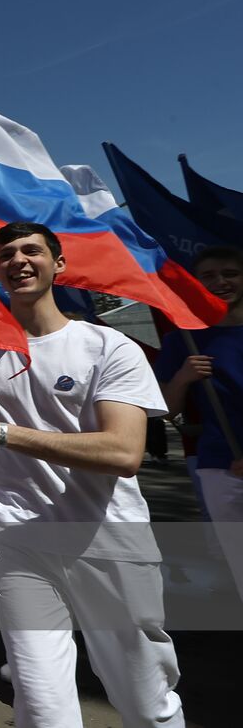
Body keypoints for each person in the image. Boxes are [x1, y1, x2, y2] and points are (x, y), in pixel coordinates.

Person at [0, 221, 185, 728]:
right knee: (40, 705)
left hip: (106, 540)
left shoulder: (108, 347)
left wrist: (3, 434)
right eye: (6, 254)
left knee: (145, 701)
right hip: (16, 539)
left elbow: (124, 451)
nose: (18, 259)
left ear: (58, 265)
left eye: (31, 250)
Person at [156, 244, 243, 600]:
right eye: (208, 276)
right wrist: (182, 379)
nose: (220, 282)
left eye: (230, 273)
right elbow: (163, 408)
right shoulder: (184, 340)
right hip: (219, 465)